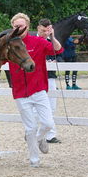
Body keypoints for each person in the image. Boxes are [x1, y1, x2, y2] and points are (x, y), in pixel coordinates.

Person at [7, 13, 64, 167]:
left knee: (48, 123)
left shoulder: (37, 41)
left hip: (39, 90)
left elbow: (57, 50)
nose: (19, 28)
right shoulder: (9, 44)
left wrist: (51, 36)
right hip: (20, 93)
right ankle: (34, 160)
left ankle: (40, 138)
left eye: (21, 26)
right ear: (12, 27)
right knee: (30, 128)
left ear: (28, 26)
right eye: (16, 26)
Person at [36, 18, 62, 144]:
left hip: (50, 77)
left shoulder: (52, 41)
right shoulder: (32, 40)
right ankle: (36, 134)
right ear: (38, 28)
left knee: (51, 107)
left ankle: (50, 135)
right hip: (36, 78)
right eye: (43, 30)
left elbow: (59, 52)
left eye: (48, 30)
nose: (45, 33)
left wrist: (52, 36)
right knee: (36, 108)